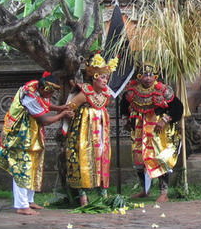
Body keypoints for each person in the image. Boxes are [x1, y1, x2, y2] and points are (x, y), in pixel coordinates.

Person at [0, 72, 73, 215]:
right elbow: (44, 120)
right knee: (22, 168)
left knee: (33, 165)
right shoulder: (30, 97)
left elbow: (45, 103)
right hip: (19, 138)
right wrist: (62, 114)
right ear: (43, 89)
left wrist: (59, 108)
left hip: (30, 136)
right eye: (50, 93)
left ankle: (29, 200)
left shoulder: (35, 88)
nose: (51, 96)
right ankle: (21, 205)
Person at [123, 64, 183, 202]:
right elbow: (124, 107)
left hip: (158, 130)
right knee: (138, 158)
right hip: (139, 128)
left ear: (155, 76)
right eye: (144, 75)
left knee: (160, 157)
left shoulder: (163, 90)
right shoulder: (132, 92)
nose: (148, 78)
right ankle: (145, 190)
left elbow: (178, 108)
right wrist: (126, 119)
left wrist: (165, 119)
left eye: (150, 75)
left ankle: (164, 192)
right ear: (139, 77)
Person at [65, 53, 117, 206]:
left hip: (101, 132)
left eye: (106, 78)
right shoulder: (84, 93)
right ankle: (83, 197)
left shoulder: (106, 95)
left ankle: (103, 194)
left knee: (102, 157)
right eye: (102, 77)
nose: (105, 80)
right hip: (84, 132)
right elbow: (69, 108)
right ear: (94, 77)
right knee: (84, 158)